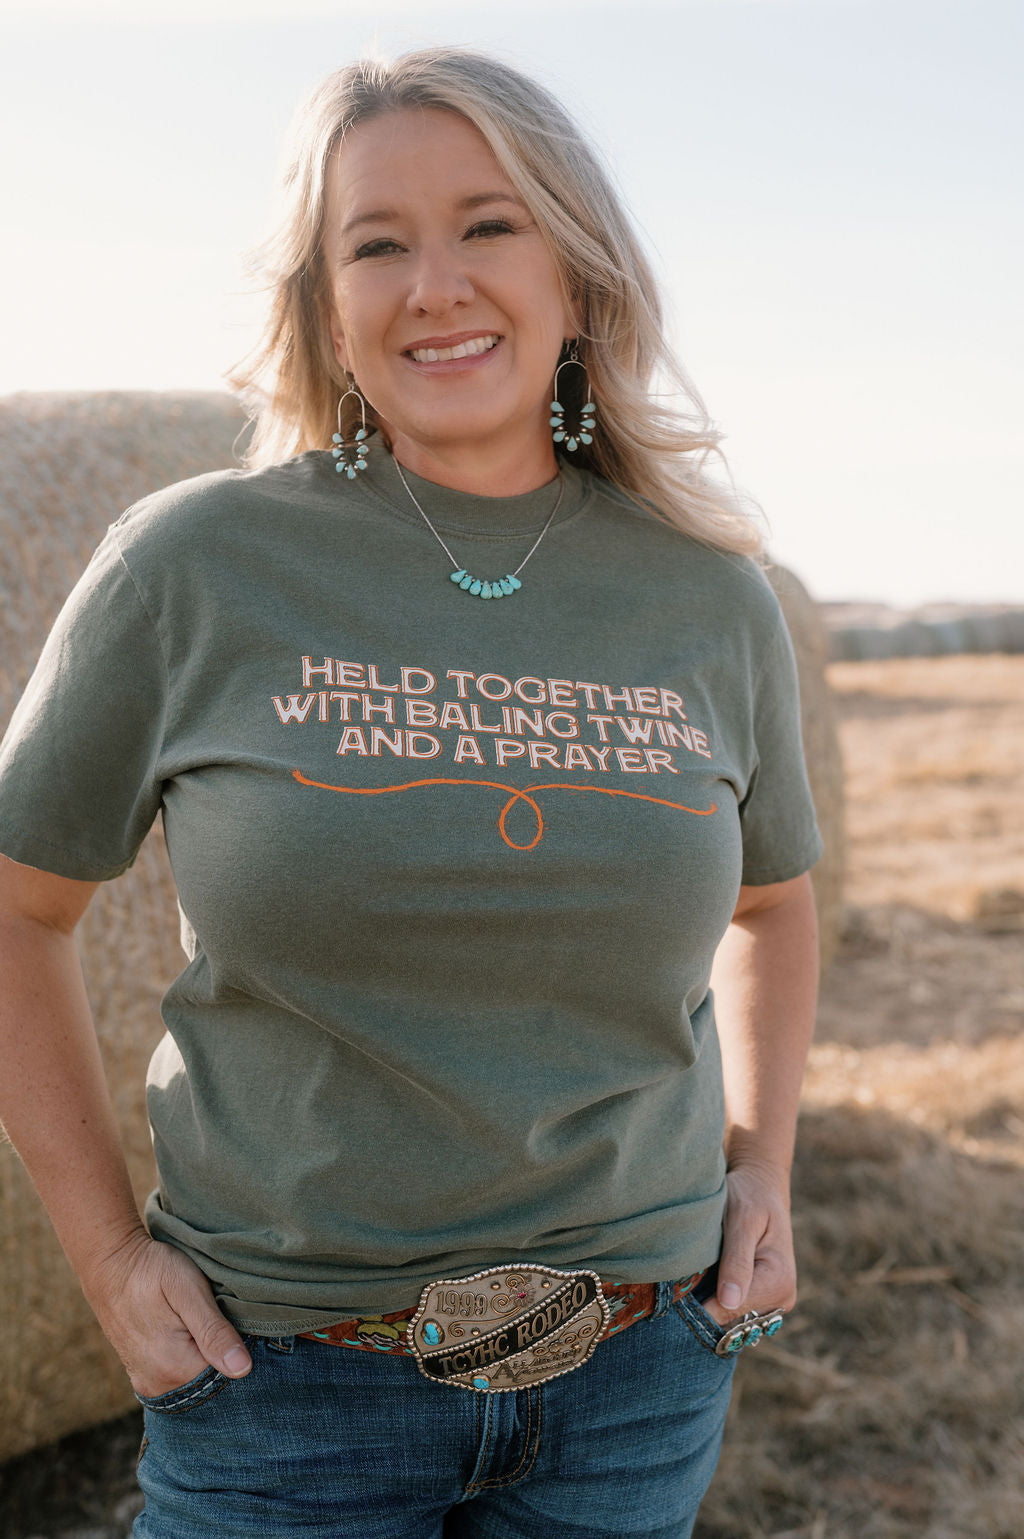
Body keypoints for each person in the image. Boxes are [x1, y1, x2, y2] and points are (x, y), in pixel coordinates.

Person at [0, 47, 821, 1539]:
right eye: (377, 244)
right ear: (327, 305)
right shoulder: (194, 564)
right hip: (283, 1387)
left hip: (640, 1371)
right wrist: (110, 1261)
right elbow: (15, 909)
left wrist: (762, 1168)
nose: (436, 286)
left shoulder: (712, 599)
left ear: (578, 272)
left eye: (489, 225)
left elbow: (773, 902)